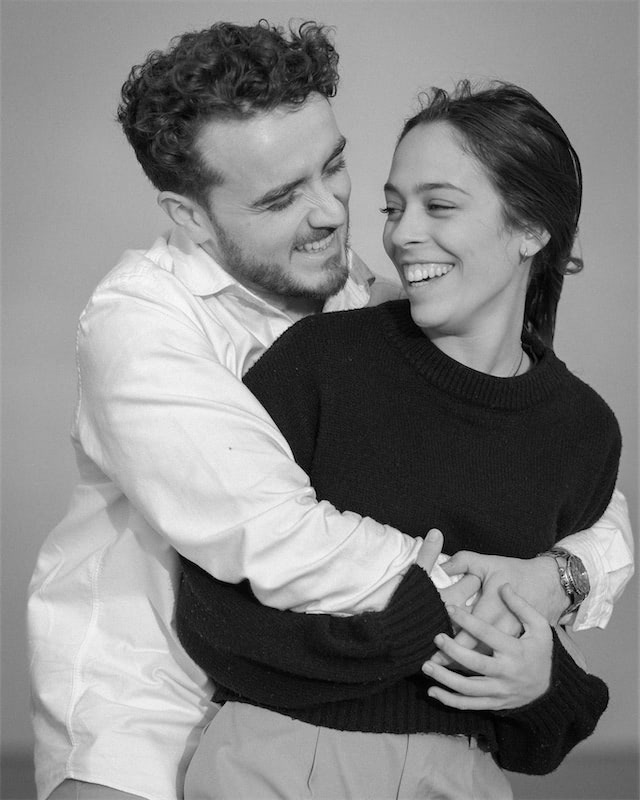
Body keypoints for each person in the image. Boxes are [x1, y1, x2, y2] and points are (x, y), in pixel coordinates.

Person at [26, 20, 632, 800]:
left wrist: (567, 575)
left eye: (334, 167)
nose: (331, 216)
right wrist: (503, 602)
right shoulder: (139, 328)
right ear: (190, 216)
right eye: (281, 196)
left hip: (343, 710)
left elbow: (547, 459)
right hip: (143, 715)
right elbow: (281, 537)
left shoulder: (357, 295)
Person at [176, 81, 624, 799]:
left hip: (462, 777)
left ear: (531, 229)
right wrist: (416, 621)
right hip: (275, 764)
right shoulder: (317, 363)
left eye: (439, 205)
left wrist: (542, 687)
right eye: (392, 206)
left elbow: (536, 717)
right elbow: (210, 613)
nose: (401, 232)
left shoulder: (583, 432)